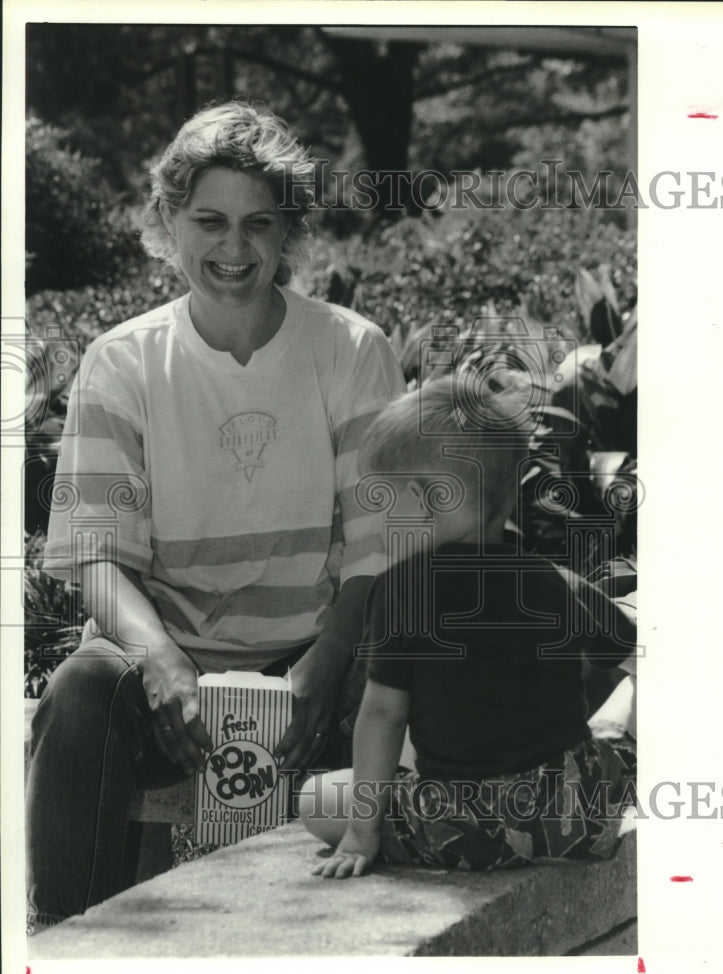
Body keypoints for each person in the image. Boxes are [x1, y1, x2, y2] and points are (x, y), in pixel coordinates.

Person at [26, 101, 405, 930]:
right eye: (209, 220)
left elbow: (381, 551)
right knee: (83, 687)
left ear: (288, 231)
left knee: (408, 668)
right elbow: (97, 554)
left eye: (259, 224)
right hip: (174, 657)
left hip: (320, 652)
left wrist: (329, 660)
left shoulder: (351, 349)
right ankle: (64, 945)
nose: (235, 249)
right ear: (167, 221)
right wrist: (162, 665)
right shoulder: (122, 362)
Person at [299, 372, 637, 877]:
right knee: (629, 700)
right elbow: (627, 645)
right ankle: (608, 731)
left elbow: (383, 717)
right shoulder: (554, 581)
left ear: (425, 498)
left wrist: (362, 832)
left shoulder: (401, 590)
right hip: (571, 820)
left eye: (386, 503)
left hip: (463, 829)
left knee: (316, 797)